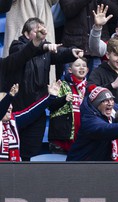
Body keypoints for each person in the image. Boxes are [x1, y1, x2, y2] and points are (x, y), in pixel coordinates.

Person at [6, 18, 83, 161]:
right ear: (27, 34)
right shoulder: (16, 46)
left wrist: (72, 52)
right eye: (37, 32)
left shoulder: (46, 49)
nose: (42, 35)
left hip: (37, 111)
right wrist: (43, 46)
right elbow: (25, 53)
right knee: (13, 156)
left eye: (43, 32)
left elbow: (60, 53)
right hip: (18, 111)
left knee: (31, 156)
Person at [66, 86, 118, 161]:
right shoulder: (89, 120)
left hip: (99, 163)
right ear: (96, 104)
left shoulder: (111, 109)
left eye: (111, 99)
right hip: (79, 165)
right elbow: (106, 129)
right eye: (105, 101)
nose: (110, 103)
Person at [0, 82, 60, 161]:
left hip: (13, 170)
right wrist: (9, 96)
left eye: (10, 104)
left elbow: (32, 112)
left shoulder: (13, 121)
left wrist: (50, 97)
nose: (10, 107)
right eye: (7, 104)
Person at [48, 58, 89, 154]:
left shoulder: (90, 88)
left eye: (83, 65)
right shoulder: (61, 85)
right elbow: (50, 106)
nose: (81, 68)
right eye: (78, 65)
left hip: (82, 138)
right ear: (70, 70)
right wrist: (63, 99)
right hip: (62, 140)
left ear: (87, 70)